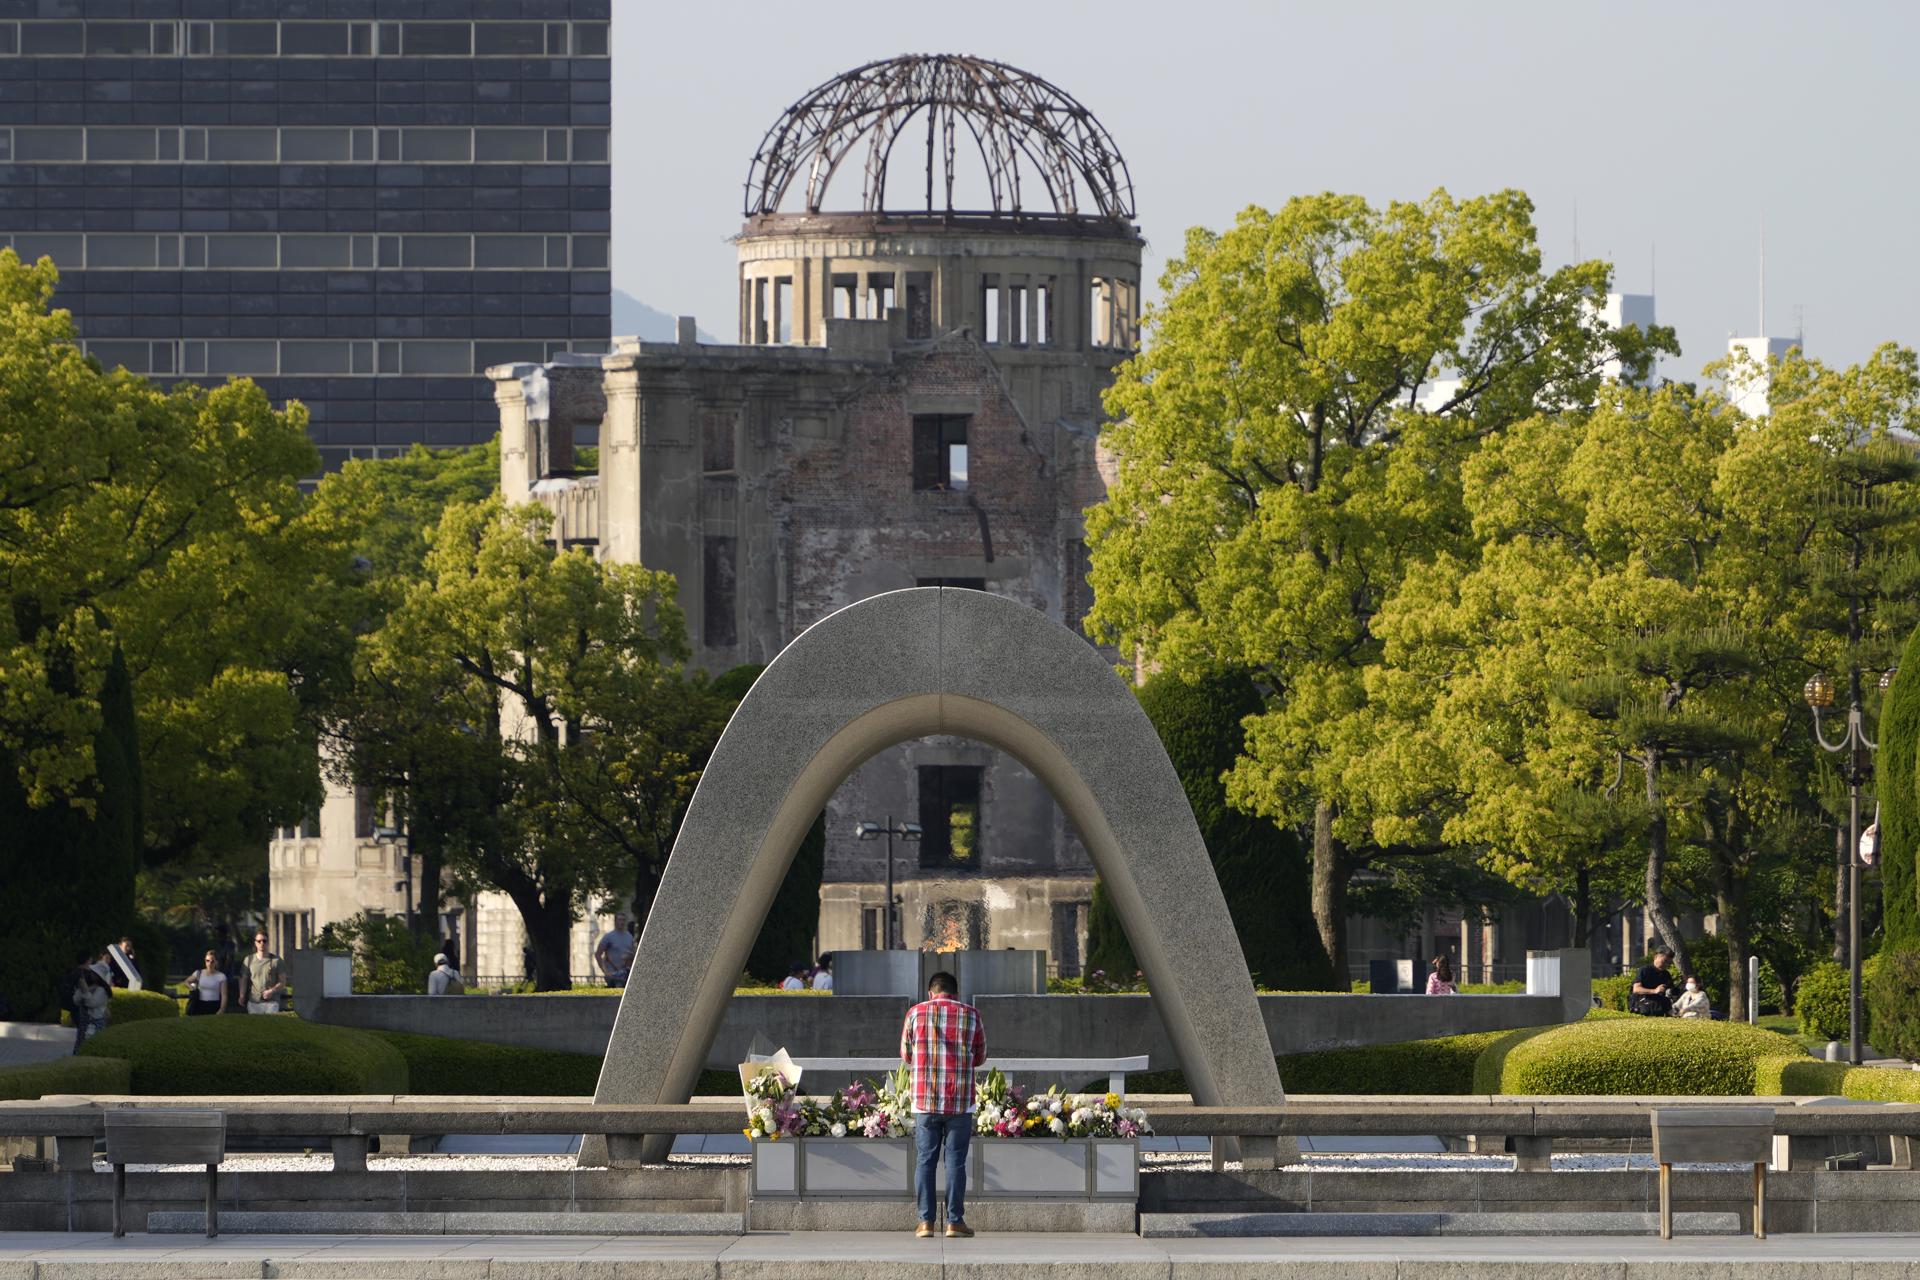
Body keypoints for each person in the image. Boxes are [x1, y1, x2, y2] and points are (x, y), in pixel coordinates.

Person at [900, 970, 986, 1239]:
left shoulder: (915, 1013)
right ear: (956, 993)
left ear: (931, 993)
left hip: (925, 1100)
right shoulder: (971, 1014)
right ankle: (954, 1222)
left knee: (925, 1161)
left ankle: (925, 1223)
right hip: (960, 1101)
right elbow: (980, 1056)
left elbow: (906, 1054)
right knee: (956, 1162)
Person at [66, 950, 111, 1053]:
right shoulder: (89, 985)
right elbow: (76, 1000)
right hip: (84, 1022)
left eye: (93, 973)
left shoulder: (102, 990)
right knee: (79, 1047)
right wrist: (83, 989)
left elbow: (91, 1003)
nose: (90, 974)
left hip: (95, 1023)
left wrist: (86, 991)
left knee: (93, 1048)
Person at [243, 929, 286, 1013]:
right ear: (255, 943)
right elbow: (243, 979)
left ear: (268, 942)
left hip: (272, 1002)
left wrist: (272, 991)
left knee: (270, 1025)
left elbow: (283, 981)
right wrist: (241, 995)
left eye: (264, 941)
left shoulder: (276, 960)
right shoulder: (249, 960)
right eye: (259, 941)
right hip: (254, 1001)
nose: (262, 943)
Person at [1630, 946, 1675, 1016]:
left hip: (1660, 1007)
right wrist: (1654, 991)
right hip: (1643, 1005)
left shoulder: (1666, 974)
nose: (1666, 965)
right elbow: (1636, 989)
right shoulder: (1644, 970)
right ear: (1656, 957)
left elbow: (1670, 991)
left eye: (1668, 963)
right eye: (1664, 961)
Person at [594, 911, 635, 988]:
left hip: (626, 974)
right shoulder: (608, 937)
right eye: (619, 920)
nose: (621, 922)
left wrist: (629, 956)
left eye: (623, 920)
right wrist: (605, 971)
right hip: (613, 975)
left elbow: (634, 954)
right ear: (615, 921)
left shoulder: (629, 937)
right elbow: (598, 954)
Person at [186, 950, 229, 1016]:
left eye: (212, 961)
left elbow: (224, 995)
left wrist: (222, 1009)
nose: (209, 963)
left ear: (216, 962)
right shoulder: (198, 973)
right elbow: (186, 981)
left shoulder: (221, 976)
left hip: (214, 1004)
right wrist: (192, 988)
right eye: (207, 961)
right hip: (199, 1004)